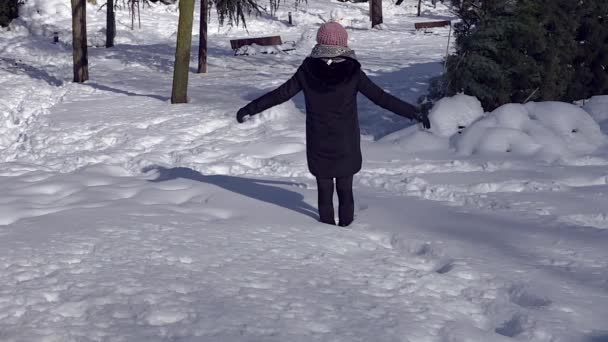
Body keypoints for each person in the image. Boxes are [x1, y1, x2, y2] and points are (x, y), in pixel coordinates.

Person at [236, 21, 431, 227]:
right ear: (343, 43)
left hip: (319, 143)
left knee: (324, 190)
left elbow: (281, 94)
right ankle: (347, 230)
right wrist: (414, 113)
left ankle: (327, 235)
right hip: (346, 144)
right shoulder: (352, 71)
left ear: (319, 42)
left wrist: (250, 108)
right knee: (346, 191)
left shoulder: (308, 69)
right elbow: (381, 98)